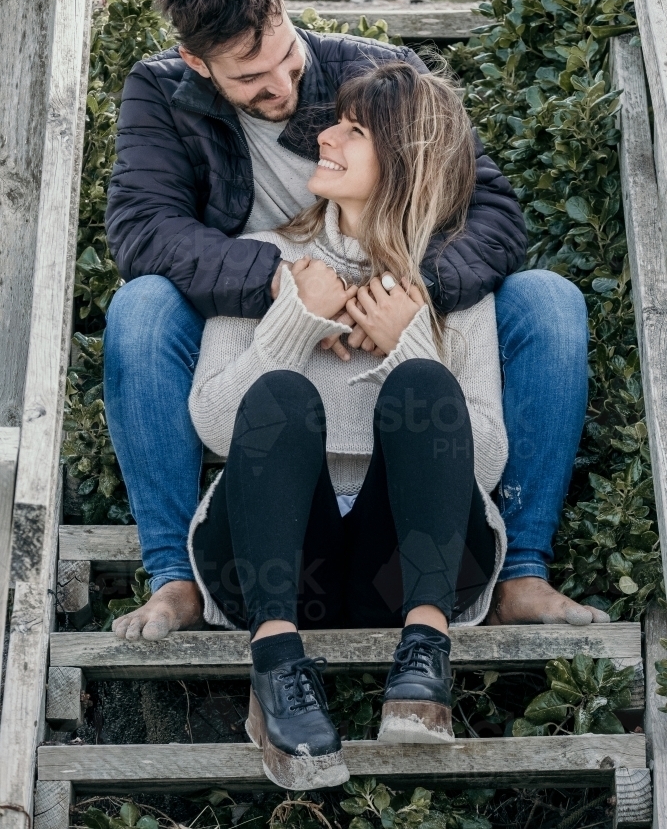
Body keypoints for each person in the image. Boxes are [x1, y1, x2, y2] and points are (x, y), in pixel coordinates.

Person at [106, 0, 606, 644]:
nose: (281, 84)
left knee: (548, 301)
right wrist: (277, 285)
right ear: (198, 63)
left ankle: (520, 570)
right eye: (250, 77)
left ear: (283, 9)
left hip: (395, 274)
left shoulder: (369, 74)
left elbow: (486, 207)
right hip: (250, 294)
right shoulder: (160, 90)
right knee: (141, 308)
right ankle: (174, 578)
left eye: (286, 57)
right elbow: (143, 228)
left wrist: (408, 296)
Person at [187, 61, 507, 789]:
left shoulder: (453, 280)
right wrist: (293, 323)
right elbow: (213, 424)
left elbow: (482, 464)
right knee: (281, 396)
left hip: (408, 566)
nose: (322, 135)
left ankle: (424, 661)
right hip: (275, 561)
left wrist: (408, 343)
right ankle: (274, 669)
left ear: (402, 159)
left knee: (426, 382)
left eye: (351, 129)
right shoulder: (265, 259)